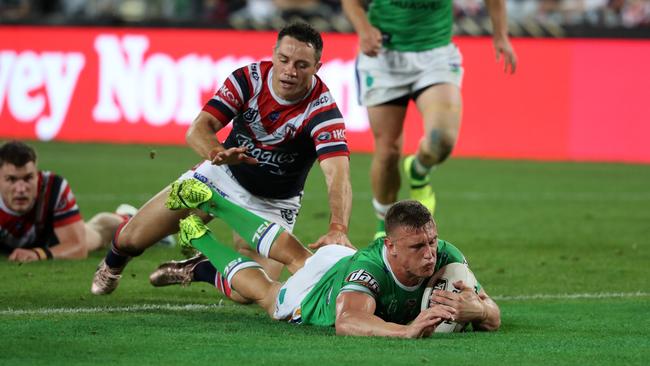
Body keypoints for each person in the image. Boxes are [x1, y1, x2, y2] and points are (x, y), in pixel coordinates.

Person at [91, 22, 353, 295]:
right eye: (284, 60)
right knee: (132, 239)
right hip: (221, 177)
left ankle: (199, 268)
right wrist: (217, 153)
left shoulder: (323, 111)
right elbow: (198, 130)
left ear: (317, 68)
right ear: (273, 54)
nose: (289, 71)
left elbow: (338, 174)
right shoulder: (247, 79)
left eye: (302, 65)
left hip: (273, 203)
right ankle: (112, 265)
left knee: (248, 291)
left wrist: (338, 227)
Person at [153, 178, 499, 338]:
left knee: (294, 253)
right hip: (321, 291)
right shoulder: (372, 268)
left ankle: (217, 204)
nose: (430, 253)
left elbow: (494, 314)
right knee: (268, 295)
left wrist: (480, 310)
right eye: (417, 247)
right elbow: (347, 321)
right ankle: (201, 236)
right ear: (390, 246)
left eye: (432, 242)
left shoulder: (445, 255)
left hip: (338, 259)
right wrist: (404, 332)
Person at [342, 0, 517, 238]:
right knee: (388, 150)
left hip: (436, 56)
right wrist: (363, 29)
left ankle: (418, 170)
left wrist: (501, 35)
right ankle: (384, 229)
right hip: (384, 56)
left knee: (442, 139)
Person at [0, 141, 139, 262]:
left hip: (52, 239)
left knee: (96, 234)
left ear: (37, 176)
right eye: (11, 179)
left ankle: (134, 220)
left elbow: (78, 247)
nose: (21, 189)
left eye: (28, 178)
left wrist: (38, 254)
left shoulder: (52, 187)